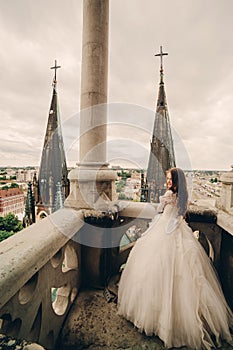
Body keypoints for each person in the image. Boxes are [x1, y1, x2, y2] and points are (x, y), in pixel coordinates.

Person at [117, 167, 233, 349]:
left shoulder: (169, 195)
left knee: (157, 271)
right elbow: (181, 212)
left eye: (170, 179)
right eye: (167, 179)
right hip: (179, 231)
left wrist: (163, 201)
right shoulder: (183, 196)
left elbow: (159, 210)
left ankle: (161, 319)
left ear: (176, 181)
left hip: (164, 231)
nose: (167, 182)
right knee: (186, 276)